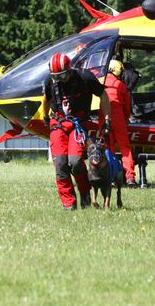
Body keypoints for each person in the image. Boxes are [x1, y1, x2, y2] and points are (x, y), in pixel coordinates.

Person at [42, 52, 111, 210]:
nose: (59, 79)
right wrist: (46, 117)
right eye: (56, 76)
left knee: (76, 162)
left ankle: (85, 194)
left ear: (70, 70)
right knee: (60, 164)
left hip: (78, 122)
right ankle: (69, 204)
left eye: (63, 75)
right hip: (58, 122)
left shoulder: (85, 78)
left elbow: (104, 95)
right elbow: (46, 98)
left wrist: (107, 120)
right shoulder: (50, 81)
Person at [99, 60, 137, 187]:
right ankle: (130, 177)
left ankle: (110, 176)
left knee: (108, 148)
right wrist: (126, 119)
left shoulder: (100, 82)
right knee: (125, 148)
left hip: (104, 117)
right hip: (118, 117)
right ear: (118, 70)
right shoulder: (121, 85)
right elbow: (127, 106)